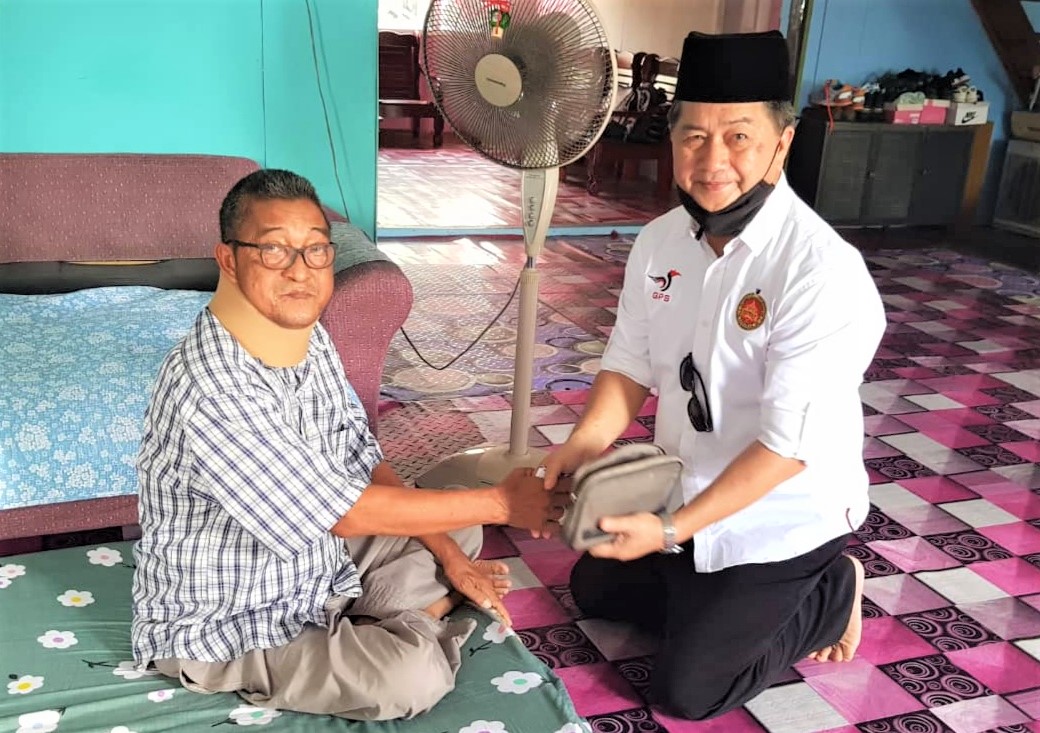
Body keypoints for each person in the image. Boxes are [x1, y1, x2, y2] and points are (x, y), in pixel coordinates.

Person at [131, 169, 569, 721]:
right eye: (274, 250)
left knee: (458, 527)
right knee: (408, 679)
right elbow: (342, 513)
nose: (300, 271)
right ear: (229, 259)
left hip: (317, 566)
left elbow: (361, 454)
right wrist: (502, 502)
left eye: (315, 250)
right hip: (234, 619)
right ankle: (417, 621)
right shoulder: (211, 382)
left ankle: (392, 613)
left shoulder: (306, 338)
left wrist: (454, 559)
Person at [541, 31, 886, 721]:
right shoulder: (659, 242)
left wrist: (671, 532)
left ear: (782, 142)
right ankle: (707, 593)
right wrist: (582, 446)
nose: (713, 161)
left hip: (786, 512)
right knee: (593, 587)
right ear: (672, 138)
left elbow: (786, 448)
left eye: (738, 137)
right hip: (688, 486)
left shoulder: (820, 270)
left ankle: (831, 590)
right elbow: (628, 365)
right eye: (694, 136)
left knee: (690, 690)